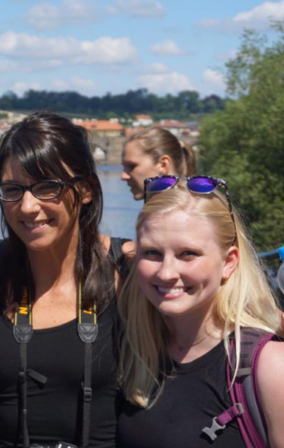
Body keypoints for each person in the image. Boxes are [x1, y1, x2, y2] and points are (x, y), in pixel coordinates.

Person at [0, 112, 131, 448]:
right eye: (13, 190)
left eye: (47, 187)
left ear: (84, 191)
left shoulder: (128, 268)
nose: (27, 206)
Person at [117, 176, 284, 447]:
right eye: (152, 253)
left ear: (229, 262)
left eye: (188, 254)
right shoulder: (133, 351)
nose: (167, 272)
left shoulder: (269, 367)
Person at [121, 127, 196, 201]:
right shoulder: (193, 207)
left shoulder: (178, 212)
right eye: (124, 167)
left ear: (163, 165)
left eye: (132, 166)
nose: (123, 176)